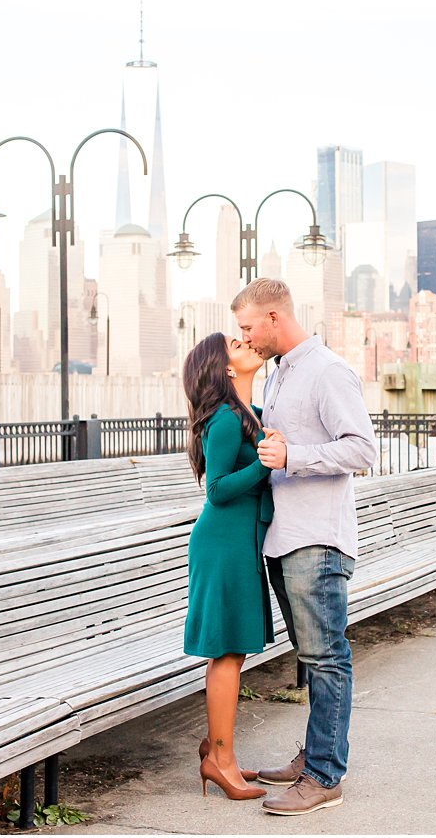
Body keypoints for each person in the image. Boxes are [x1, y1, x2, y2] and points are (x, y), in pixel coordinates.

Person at [232, 277, 377, 817]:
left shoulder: (327, 371)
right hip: (286, 537)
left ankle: (323, 775)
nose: (244, 337)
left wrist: (294, 457)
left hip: (317, 539)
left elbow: (362, 449)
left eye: (249, 327)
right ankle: (315, 756)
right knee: (312, 658)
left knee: (326, 658)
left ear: (274, 318)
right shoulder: (279, 376)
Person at [181, 331, 276, 800]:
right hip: (222, 545)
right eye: (236, 345)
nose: (247, 345)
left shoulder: (250, 415)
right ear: (225, 368)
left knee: (234, 652)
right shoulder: (222, 419)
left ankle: (220, 754)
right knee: (227, 654)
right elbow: (216, 489)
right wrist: (265, 463)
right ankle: (221, 761)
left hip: (241, 543)